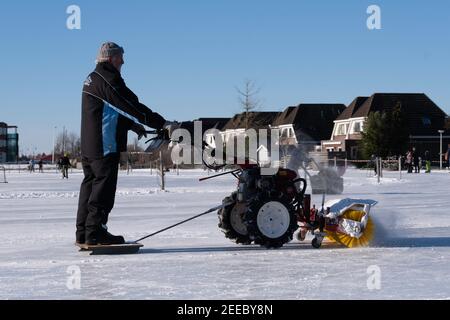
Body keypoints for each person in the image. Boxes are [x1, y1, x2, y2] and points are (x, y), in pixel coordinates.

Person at [76, 42, 169, 246]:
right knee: (103, 189)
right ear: (111, 58)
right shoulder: (107, 79)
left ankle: (83, 232)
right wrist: (161, 123)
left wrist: (133, 126)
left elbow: (111, 109)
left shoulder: (94, 78)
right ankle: (96, 232)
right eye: (120, 58)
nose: (123, 61)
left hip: (91, 145)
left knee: (90, 185)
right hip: (104, 144)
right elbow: (130, 104)